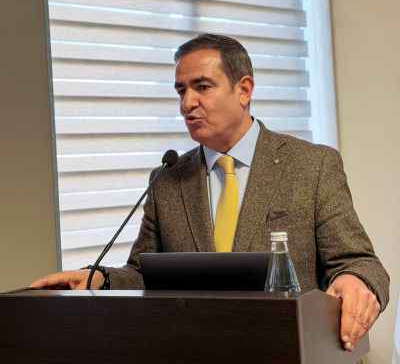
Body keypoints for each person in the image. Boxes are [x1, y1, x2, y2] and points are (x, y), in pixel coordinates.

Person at [32, 33, 389, 352]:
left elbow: (359, 261)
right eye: (181, 90)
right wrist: (100, 279)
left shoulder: (312, 166)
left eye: (202, 87)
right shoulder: (167, 179)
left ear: (244, 90)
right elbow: (145, 274)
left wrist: (355, 281)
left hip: (288, 351)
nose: (187, 103)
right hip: (197, 350)